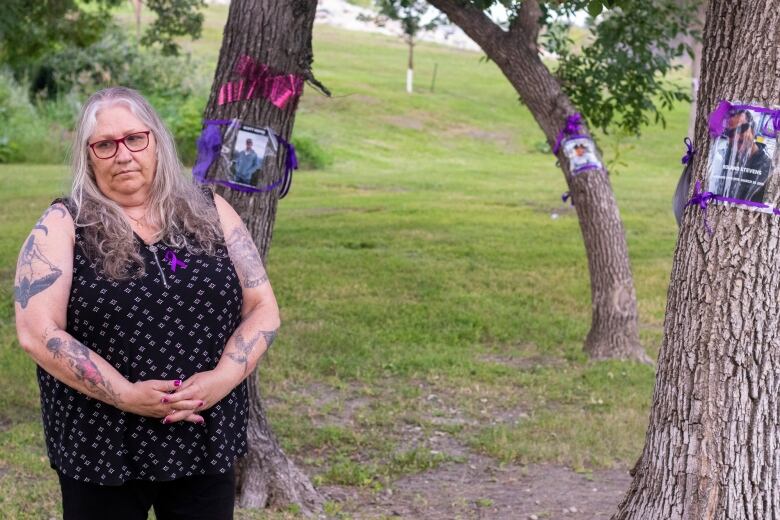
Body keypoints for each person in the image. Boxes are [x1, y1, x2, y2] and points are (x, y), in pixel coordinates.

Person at [13, 87, 280, 520]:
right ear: (88, 155)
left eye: (135, 138)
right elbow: (37, 333)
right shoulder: (64, 224)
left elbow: (263, 308)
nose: (123, 155)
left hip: (203, 435)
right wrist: (125, 395)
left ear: (156, 141)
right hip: (101, 443)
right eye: (105, 144)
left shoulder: (212, 211)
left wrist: (221, 379)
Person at [717, 109, 772, 201]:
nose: (736, 136)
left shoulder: (769, 169)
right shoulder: (723, 160)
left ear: (753, 130)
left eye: (742, 128)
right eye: (730, 133)